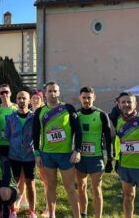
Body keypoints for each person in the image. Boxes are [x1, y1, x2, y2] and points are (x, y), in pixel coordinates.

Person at [32, 81, 82, 218]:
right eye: (50, 91)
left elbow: (78, 130)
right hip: (47, 155)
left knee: (70, 188)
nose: (52, 94)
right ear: (45, 93)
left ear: (59, 93)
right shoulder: (40, 111)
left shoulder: (68, 108)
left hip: (66, 155)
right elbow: (35, 134)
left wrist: (77, 150)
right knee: (50, 187)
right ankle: (51, 215)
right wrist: (37, 153)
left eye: (55, 91)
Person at [75, 86, 113, 218]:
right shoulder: (76, 115)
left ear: (94, 98)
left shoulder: (101, 115)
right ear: (80, 98)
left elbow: (108, 139)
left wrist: (110, 158)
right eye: (84, 98)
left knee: (96, 190)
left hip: (96, 158)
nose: (86, 100)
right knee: (81, 188)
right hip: (80, 158)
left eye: (89, 98)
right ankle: (83, 214)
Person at [5, 91, 37, 218]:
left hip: (30, 155)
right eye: (19, 98)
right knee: (14, 183)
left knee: (30, 183)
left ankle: (32, 211)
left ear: (29, 101)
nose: (21, 100)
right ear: (16, 100)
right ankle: (13, 210)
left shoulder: (34, 118)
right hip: (14, 155)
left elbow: (37, 135)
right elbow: (7, 135)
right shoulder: (11, 117)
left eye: (24, 98)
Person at [113, 92, 139, 218]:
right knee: (128, 197)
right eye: (123, 102)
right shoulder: (118, 121)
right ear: (119, 105)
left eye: (129, 102)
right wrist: (117, 161)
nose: (126, 104)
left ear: (135, 104)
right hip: (125, 166)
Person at [30, 89, 49, 217]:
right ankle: (26, 201)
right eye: (34, 98)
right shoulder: (26, 112)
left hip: (42, 149)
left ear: (42, 99)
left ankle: (49, 207)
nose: (36, 100)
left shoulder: (44, 113)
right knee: (26, 178)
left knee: (46, 180)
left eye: (38, 98)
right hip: (26, 150)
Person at [0, 84, 17, 157]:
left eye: (6, 92)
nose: (4, 94)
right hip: (1, 143)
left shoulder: (17, 108)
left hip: (15, 143)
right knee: (3, 166)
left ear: (10, 93)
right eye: (1, 93)